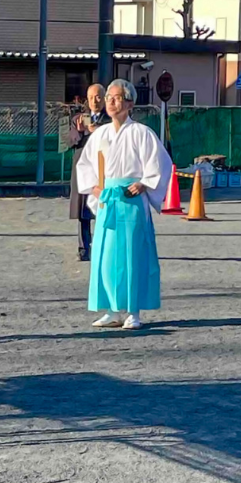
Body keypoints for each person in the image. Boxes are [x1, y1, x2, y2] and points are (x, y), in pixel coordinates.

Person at [75, 79, 173, 330]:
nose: (111, 101)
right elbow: (84, 166)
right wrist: (96, 189)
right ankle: (110, 309)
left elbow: (159, 163)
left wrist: (143, 183)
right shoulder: (101, 134)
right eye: (109, 97)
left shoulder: (141, 133)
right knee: (105, 256)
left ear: (130, 103)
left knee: (133, 255)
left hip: (132, 201)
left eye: (117, 97)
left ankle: (133, 311)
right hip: (108, 199)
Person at [69, 84, 109, 261]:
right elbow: (69, 141)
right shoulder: (79, 118)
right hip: (82, 167)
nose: (95, 101)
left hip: (103, 169)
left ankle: (102, 247)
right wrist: (81, 131)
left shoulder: (110, 119)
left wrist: (97, 132)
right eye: (92, 97)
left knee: (103, 208)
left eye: (99, 97)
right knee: (82, 209)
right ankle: (83, 248)